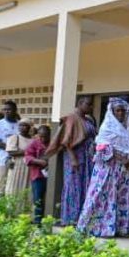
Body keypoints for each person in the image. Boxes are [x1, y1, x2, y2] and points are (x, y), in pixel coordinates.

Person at [77, 98, 129, 238]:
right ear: (112, 112)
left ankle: (120, 228)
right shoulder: (107, 128)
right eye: (118, 110)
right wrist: (122, 158)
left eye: (123, 111)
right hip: (108, 169)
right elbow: (102, 147)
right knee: (102, 195)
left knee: (122, 197)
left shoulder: (127, 130)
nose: (121, 113)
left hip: (124, 170)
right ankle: (96, 227)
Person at [46, 96, 97, 226]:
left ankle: (82, 217)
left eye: (92, 105)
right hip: (75, 157)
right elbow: (66, 141)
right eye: (88, 104)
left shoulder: (88, 120)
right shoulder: (71, 119)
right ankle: (70, 218)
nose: (91, 107)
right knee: (73, 185)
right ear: (80, 104)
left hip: (87, 157)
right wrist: (73, 158)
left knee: (85, 185)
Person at [0, 100, 20, 196]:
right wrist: (12, 150)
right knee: (2, 185)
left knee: (14, 185)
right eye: (5, 109)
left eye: (9, 109)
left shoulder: (19, 124)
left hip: (18, 159)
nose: (6, 111)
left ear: (15, 110)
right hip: (4, 159)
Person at [24, 125, 51, 223]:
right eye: (41, 136)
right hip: (38, 175)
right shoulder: (34, 143)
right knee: (38, 199)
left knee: (49, 198)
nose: (43, 139)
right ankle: (37, 221)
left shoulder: (52, 143)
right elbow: (27, 157)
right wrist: (39, 161)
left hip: (51, 175)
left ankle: (48, 219)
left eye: (45, 136)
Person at [3, 119, 35, 197]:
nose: (22, 127)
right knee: (14, 186)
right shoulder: (14, 138)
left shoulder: (33, 140)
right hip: (17, 165)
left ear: (29, 127)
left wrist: (22, 151)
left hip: (28, 166)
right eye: (20, 125)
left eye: (24, 125)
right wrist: (27, 152)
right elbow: (11, 152)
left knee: (27, 185)